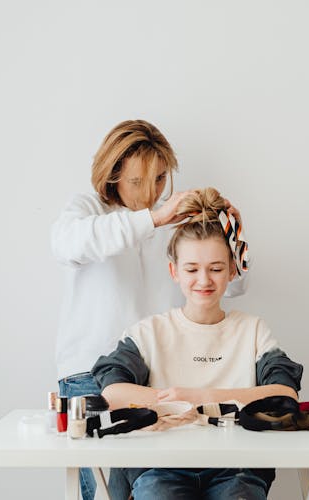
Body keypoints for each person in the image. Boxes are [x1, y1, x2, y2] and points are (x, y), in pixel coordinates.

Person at [51, 121, 246, 499]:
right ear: (113, 174)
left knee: (150, 490)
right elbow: (67, 246)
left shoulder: (169, 219)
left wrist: (233, 237)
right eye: (138, 181)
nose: (151, 192)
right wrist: (154, 219)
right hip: (87, 375)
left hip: (154, 376)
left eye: (159, 179)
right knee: (105, 494)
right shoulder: (86, 210)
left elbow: (234, 286)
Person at [91, 188, 303, 500]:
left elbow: (284, 394)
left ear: (232, 270)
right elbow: (113, 391)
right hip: (160, 467)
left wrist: (200, 397)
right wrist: (182, 403)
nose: (204, 280)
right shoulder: (149, 332)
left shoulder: (253, 330)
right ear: (174, 271)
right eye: (191, 269)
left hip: (237, 469)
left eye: (216, 269)